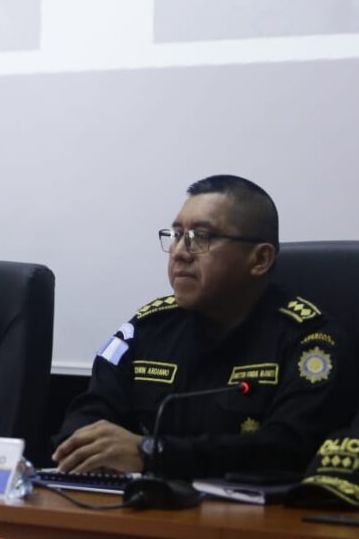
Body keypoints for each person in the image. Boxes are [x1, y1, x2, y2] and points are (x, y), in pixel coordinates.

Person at [53, 175, 357, 479]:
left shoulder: (310, 341)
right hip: (134, 502)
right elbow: (89, 413)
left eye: (200, 237)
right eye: (176, 235)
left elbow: (288, 449)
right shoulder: (147, 328)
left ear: (260, 259)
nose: (179, 252)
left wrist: (153, 453)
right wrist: (87, 448)